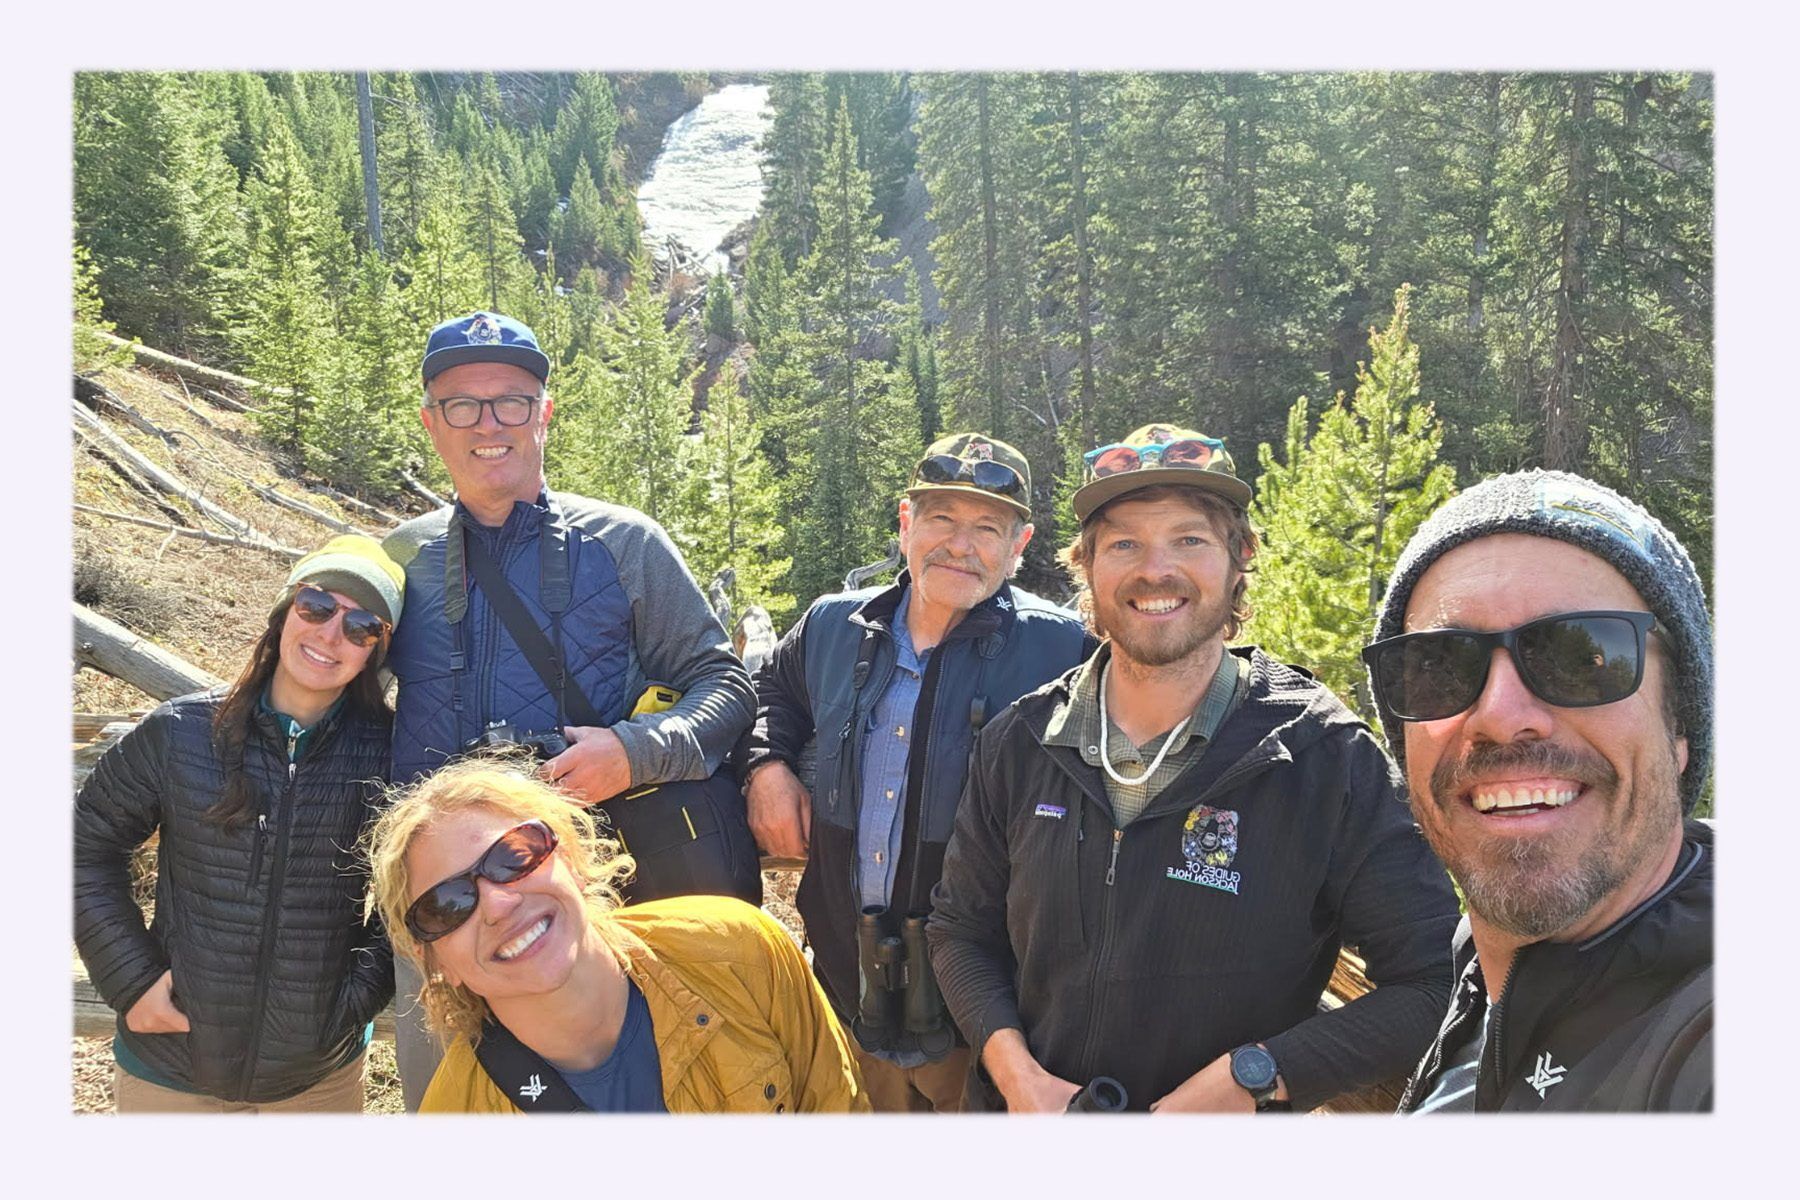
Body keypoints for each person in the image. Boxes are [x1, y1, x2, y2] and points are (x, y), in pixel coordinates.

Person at [928, 423, 1460, 1113]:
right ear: (1086, 566)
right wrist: (1017, 1076)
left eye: (1189, 539)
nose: (1156, 570)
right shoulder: (1023, 741)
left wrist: (1257, 1075)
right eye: (1124, 543)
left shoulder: (1322, 754)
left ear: (1240, 558)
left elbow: (1432, 983)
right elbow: (960, 930)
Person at [382, 310, 760, 1109]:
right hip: (443, 917)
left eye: (512, 401)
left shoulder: (623, 545)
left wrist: (634, 751)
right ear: (430, 423)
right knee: (454, 1112)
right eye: (462, 404)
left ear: (545, 413)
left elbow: (723, 685)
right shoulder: (394, 561)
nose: (489, 423)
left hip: (584, 899)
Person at [735, 433, 1090, 1112]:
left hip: (983, 1008)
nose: (960, 545)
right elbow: (772, 696)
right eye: (941, 520)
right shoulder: (833, 625)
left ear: (1020, 545)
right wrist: (767, 768)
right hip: (843, 982)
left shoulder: (1062, 647)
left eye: (987, 527)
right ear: (905, 523)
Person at [1365, 470, 1713, 1113]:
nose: (1500, 714)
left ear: (1681, 724)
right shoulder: (1486, 967)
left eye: (1583, 657)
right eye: (1439, 666)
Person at [74, 535, 404, 1112]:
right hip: (169, 1064)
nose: (331, 635)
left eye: (362, 627)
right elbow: (81, 849)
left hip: (319, 1079)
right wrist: (131, 980)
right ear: (285, 613)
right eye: (318, 606)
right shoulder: (180, 732)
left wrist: (354, 998)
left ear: (376, 651)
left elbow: (417, 888)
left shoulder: (393, 754)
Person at [364, 758, 869, 1113]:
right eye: (447, 906)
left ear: (571, 859)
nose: (499, 903)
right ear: (433, 960)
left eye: (514, 856)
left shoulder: (741, 951)